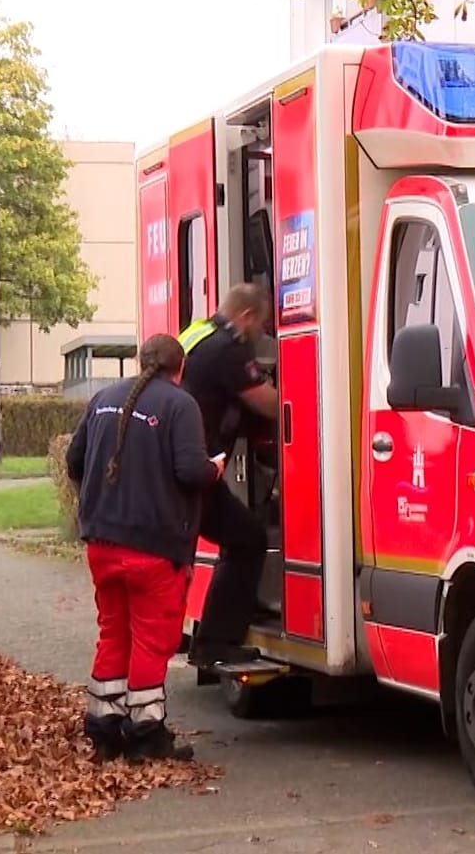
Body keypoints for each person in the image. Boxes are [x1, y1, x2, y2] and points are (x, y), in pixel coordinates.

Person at [65, 333, 227, 764]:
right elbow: (190, 470)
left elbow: (74, 462)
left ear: (141, 362)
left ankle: (104, 727)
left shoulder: (103, 397)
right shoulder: (179, 404)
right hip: (154, 547)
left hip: (101, 542)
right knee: (153, 640)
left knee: (114, 631)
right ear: (180, 369)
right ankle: (145, 731)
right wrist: (216, 468)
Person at [177, 283, 282, 669]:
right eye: (264, 323)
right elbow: (271, 404)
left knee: (232, 540)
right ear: (247, 317)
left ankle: (207, 639)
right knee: (248, 540)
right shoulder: (231, 349)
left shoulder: (197, 332)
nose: (264, 333)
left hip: (181, 465)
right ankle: (215, 643)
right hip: (194, 472)